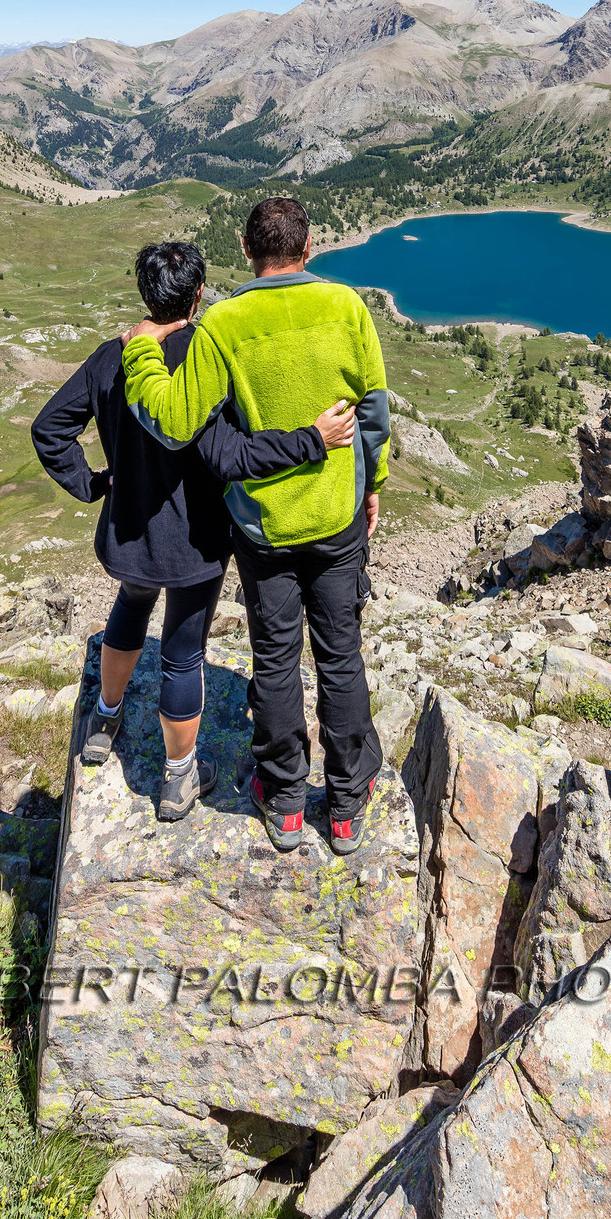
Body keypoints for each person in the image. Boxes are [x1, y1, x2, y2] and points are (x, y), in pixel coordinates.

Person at [30, 239, 356, 821]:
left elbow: (49, 428)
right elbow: (233, 454)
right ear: (199, 293)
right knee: (182, 653)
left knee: (130, 606)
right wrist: (312, 441)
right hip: (195, 540)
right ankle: (178, 778)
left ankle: (104, 719)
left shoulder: (111, 357)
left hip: (130, 532)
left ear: (144, 295)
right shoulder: (208, 360)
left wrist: (95, 484)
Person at [123, 194, 390, 859]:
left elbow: (173, 421)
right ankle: (348, 806)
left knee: (275, 658)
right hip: (336, 515)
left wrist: (141, 353)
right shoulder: (346, 306)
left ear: (246, 250)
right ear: (309, 246)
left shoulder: (223, 323)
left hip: (263, 526)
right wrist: (372, 484)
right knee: (340, 654)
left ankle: (286, 801)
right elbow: (374, 411)